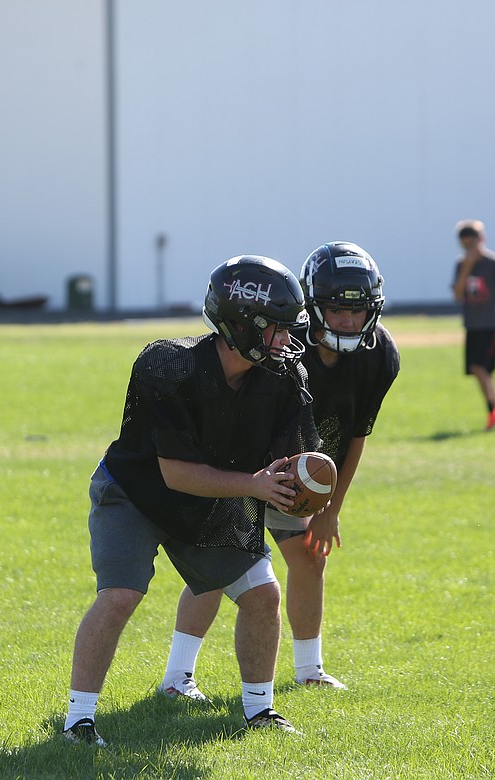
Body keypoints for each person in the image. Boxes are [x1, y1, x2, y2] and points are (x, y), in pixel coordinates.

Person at [63, 255, 319, 745]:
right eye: (277, 330)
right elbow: (174, 473)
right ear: (241, 325)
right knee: (120, 595)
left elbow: (296, 459)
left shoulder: (284, 380)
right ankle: (78, 719)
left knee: (264, 596)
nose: (287, 342)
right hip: (135, 494)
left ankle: (259, 711)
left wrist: (308, 485)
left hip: (216, 496)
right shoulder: (169, 364)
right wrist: (254, 485)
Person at [160, 241, 400, 698]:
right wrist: (245, 484)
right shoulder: (278, 345)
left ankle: (309, 668)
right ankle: (177, 678)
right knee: (220, 564)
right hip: (240, 464)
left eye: (358, 311)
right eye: (335, 309)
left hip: (300, 472)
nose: (349, 322)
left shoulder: (378, 355)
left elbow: (355, 436)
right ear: (312, 306)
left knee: (311, 556)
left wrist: (330, 507)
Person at [450, 220, 495, 432]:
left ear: (482, 239)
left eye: (473, 243)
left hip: (491, 324)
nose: (470, 248)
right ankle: (493, 413)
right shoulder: (461, 264)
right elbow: (457, 295)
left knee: (482, 368)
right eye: (465, 245)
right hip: (472, 325)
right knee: (476, 368)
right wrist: (468, 266)